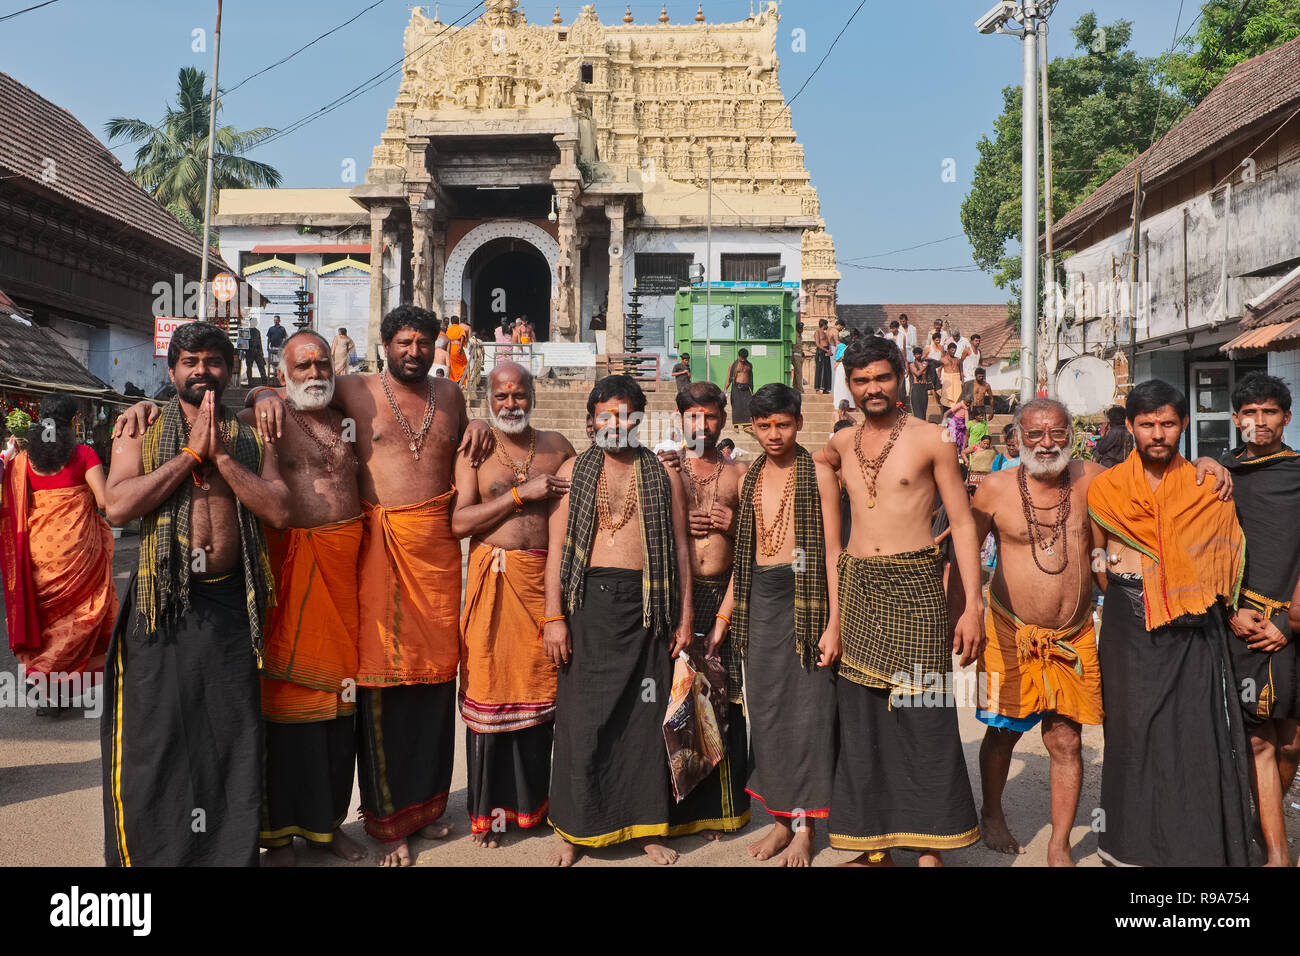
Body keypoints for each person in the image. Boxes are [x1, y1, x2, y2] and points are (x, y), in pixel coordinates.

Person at [249, 304, 492, 867]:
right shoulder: (352, 389)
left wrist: (478, 421)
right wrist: (260, 394)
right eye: (403, 341)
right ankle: (386, 822)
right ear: (384, 345)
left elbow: (465, 439)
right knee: (378, 688)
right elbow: (296, 391)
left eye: (423, 342)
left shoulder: (451, 396)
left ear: (436, 346)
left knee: (433, 686)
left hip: (435, 555)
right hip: (377, 552)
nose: (414, 351)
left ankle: (426, 809)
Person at [102, 322, 290, 866]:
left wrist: (223, 459)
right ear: (171, 370)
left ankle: (227, 856)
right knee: (156, 740)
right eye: (190, 362)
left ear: (230, 370)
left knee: (230, 735)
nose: (201, 371)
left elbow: (279, 511)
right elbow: (116, 507)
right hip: (162, 603)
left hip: (231, 602)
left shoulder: (253, 433)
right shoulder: (141, 427)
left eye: (213, 361)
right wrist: (189, 456)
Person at [816, 337, 982, 866]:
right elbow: (832, 545)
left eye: (882, 378)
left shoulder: (933, 439)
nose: (872, 389)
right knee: (862, 721)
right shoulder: (840, 445)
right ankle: (874, 846)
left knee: (924, 714)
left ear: (901, 378)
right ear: (850, 384)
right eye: (861, 380)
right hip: (859, 584)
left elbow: (960, 524)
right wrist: (834, 621)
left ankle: (930, 844)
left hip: (915, 586)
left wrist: (972, 606)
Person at [1088, 379, 1262, 867]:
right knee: (1131, 730)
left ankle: (1198, 848)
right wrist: (1135, 591)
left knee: (1194, 732)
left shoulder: (1210, 483)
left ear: (1183, 425)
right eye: (1147, 424)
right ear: (1130, 427)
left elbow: (1226, 552)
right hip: (1129, 621)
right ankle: (1129, 848)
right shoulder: (1106, 487)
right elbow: (1096, 556)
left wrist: (1180, 588)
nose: (1158, 433)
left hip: (1196, 624)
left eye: (1167, 423)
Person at [543, 375, 694, 866]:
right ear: (592, 421)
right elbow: (556, 552)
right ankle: (574, 829)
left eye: (625, 414)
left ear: (637, 419)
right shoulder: (574, 470)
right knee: (579, 723)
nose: (615, 423)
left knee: (643, 720)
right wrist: (553, 617)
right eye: (605, 415)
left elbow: (681, 549)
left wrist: (686, 617)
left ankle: (647, 828)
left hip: (648, 609)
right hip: (586, 609)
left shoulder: (662, 474)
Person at [969, 400, 1109, 866]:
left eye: (1056, 433)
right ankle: (992, 812)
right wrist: (964, 614)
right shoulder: (993, 488)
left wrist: (1210, 463)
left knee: (1065, 738)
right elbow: (964, 555)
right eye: (1034, 435)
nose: (1047, 444)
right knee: (1003, 732)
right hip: (1008, 631)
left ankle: (1059, 842)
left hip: (1073, 634)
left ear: (1072, 432)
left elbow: (1156, 484)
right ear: (1016, 437)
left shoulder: (1094, 478)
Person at [708, 384, 842, 867]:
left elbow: (832, 554)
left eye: (782, 424)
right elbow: (743, 558)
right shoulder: (749, 477)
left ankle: (805, 827)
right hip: (758, 602)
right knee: (765, 715)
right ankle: (781, 823)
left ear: (799, 423)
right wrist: (724, 616)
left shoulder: (820, 474)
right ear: (751, 428)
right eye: (763, 426)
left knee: (807, 715)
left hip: (805, 601)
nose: (773, 434)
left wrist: (836, 623)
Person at [452, 362, 576, 848]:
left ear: (532, 395)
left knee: (541, 692)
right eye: (501, 397)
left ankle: (532, 808)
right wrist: (521, 496)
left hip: (543, 583)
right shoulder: (476, 448)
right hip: (493, 583)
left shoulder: (558, 447)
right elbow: (459, 523)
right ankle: (489, 814)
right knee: (490, 690)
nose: (511, 404)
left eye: (519, 395)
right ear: (487, 399)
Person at [658, 381, 751, 837]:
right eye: (693, 416)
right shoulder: (664, 468)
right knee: (673, 702)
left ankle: (722, 812)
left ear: (723, 419)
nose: (702, 425)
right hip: (674, 599)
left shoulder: (739, 475)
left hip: (723, 597)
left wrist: (733, 527)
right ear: (681, 420)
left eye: (711, 416)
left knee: (721, 702)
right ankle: (671, 814)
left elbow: (756, 550)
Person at [1221, 373, 1300, 867]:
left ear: (1286, 418)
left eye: (1269, 412)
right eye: (1248, 413)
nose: (1258, 422)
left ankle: (1263, 822)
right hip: (1242, 622)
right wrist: (1228, 608)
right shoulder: (1220, 477)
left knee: (1291, 741)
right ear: (1235, 420)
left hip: (1292, 623)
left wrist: (1290, 623)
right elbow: (1203, 548)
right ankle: (1278, 854)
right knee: (1255, 737)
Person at [1, 392, 116, 714]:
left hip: (38, 551)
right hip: (77, 550)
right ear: (75, 421)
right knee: (79, 618)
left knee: (49, 621)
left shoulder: (24, 459)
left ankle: (51, 690)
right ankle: (48, 679)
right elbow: (105, 501)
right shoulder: (83, 454)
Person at [726, 348, 754, 428]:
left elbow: (751, 377)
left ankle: (747, 426)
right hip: (736, 387)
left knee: (748, 406)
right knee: (736, 406)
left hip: (746, 388)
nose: (743, 360)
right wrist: (725, 389)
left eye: (744, 358)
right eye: (741, 358)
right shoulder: (733, 365)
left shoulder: (749, 365)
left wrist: (751, 389)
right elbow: (729, 377)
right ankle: (736, 426)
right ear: (739, 356)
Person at [907, 347, 931, 421]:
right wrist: (924, 366)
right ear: (914, 355)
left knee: (924, 410)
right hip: (916, 387)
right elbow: (917, 373)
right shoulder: (912, 364)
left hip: (924, 387)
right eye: (916, 354)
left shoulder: (925, 363)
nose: (918, 356)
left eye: (919, 354)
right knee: (917, 411)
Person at [446, 315, 469, 385]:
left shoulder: (449, 329)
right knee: (464, 364)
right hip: (458, 348)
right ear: (458, 321)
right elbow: (462, 337)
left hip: (451, 349)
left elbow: (447, 339)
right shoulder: (459, 328)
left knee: (452, 366)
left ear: (451, 322)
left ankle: (454, 380)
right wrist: (461, 348)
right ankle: (460, 380)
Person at [940, 342, 963, 409]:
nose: (953, 352)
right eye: (952, 350)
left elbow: (961, 371)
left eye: (955, 350)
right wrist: (939, 381)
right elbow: (939, 370)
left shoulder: (958, 360)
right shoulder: (943, 359)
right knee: (946, 397)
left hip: (956, 379)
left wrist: (962, 381)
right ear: (948, 350)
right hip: (947, 379)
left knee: (957, 397)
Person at [814, 318, 833, 394]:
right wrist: (826, 350)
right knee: (820, 369)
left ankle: (825, 388)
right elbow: (818, 344)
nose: (827, 326)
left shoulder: (825, 333)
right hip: (821, 352)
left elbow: (828, 343)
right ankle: (818, 388)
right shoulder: (817, 332)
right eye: (826, 324)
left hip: (827, 352)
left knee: (827, 370)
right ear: (824, 325)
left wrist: (829, 351)